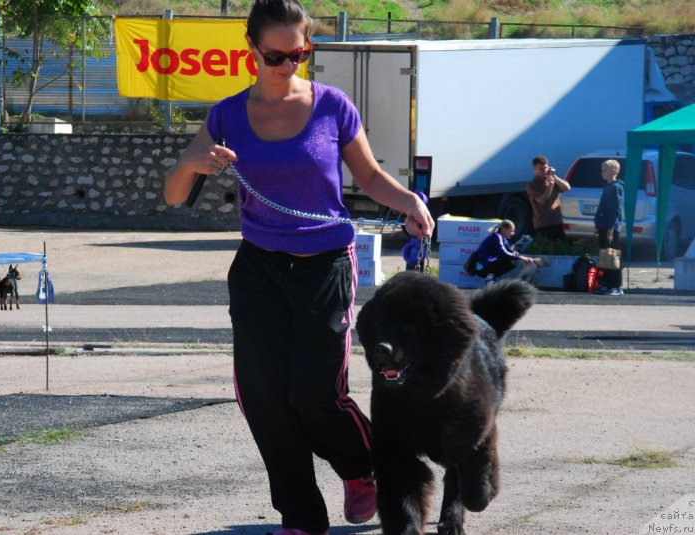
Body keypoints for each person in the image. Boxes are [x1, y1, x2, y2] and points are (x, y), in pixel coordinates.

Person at [164, 1, 434, 533]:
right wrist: (188, 163)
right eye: (277, 56)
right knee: (263, 397)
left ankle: (363, 469)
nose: (290, 65)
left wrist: (411, 202)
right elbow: (175, 196)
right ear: (252, 50)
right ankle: (302, 518)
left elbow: (371, 177)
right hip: (259, 270)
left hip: (325, 267)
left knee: (313, 395)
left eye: (301, 53)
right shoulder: (226, 115)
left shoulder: (332, 106)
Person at [473, 219, 540, 283]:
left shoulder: (503, 239)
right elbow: (503, 253)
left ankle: (492, 277)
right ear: (504, 229)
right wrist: (521, 258)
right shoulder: (497, 236)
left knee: (513, 260)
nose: (513, 233)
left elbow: (509, 252)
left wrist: (514, 253)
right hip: (481, 266)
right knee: (512, 261)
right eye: (511, 231)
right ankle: (490, 277)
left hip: (485, 264)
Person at [593, 159, 624, 295]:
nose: (602, 173)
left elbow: (616, 209)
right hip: (603, 226)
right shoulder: (608, 187)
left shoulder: (616, 187)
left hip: (610, 227)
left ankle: (616, 285)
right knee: (604, 256)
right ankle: (606, 283)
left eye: (605, 170)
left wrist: (611, 227)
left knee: (613, 256)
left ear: (613, 171)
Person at [526, 154, 571, 242]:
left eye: (546, 168)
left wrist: (554, 176)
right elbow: (542, 200)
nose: (544, 171)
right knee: (546, 248)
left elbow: (567, 188)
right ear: (534, 170)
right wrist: (550, 185)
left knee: (560, 247)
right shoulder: (532, 185)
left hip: (557, 222)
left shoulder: (552, 179)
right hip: (543, 224)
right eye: (541, 169)